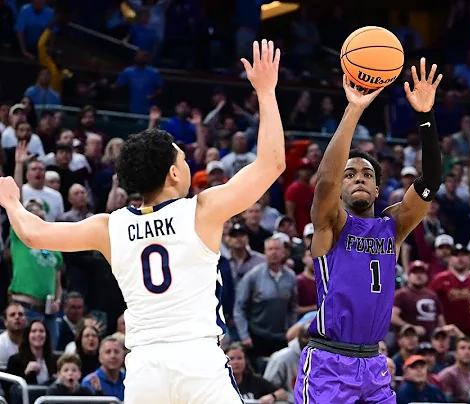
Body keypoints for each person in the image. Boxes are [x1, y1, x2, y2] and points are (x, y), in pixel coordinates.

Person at [0, 39, 285, 404]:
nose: (187, 165)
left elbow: (34, 233)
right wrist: (265, 91)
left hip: (145, 367)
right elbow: (272, 163)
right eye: (183, 160)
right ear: (172, 174)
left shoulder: (110, 227)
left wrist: (12, 203)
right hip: (196, 359)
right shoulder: (201, 211)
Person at [295, 59, 443, 403]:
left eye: (366, 174)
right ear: (341, 189)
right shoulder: (330, 224)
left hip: (374, 363)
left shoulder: (392, 227)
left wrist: (425, 115)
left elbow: (431, 181)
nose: (358, 177)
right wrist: (354, 109)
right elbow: (326, 180)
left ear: (378, 189)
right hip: (328, 362)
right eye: (350, 174)